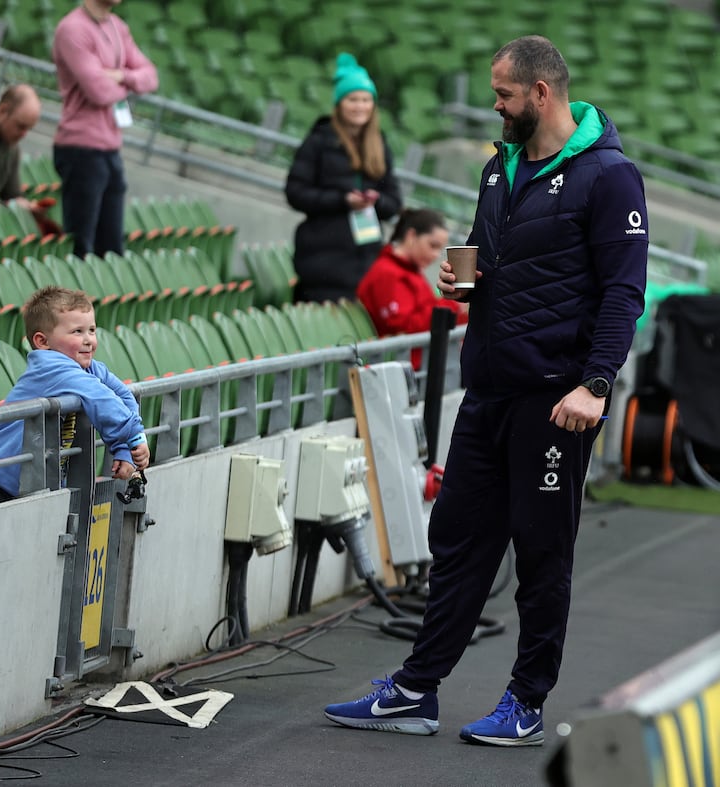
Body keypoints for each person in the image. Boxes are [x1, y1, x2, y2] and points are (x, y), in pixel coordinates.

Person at [324, 36, 648, 746]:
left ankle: (526, 699)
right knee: (461, 539)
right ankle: (416, 689)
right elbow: (481, 252)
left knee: (539, 550)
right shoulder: (499, 168)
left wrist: (596, 385)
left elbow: (625, 292)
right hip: (489, 388)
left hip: (559, 398)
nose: (495, 106)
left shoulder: (610, 176)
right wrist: (463, 282)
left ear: (541, 93)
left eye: (504, 94)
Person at [0, 286, 149, 502]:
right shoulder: (52, 366)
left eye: (92, 330)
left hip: (32, 490)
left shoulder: (88, 367)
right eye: (77, 332)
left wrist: (124, 447)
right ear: (43, 342)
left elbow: (122, 395)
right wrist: (133, 438)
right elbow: (101, 398)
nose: (88, 340)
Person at [285, 52, 402, 303]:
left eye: (365, 99)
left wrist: (375, 201)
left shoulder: (379, 144)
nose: (360, 106)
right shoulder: (318, 141)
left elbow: (394, 202)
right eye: (352, 99)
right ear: (339, 103)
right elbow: (295, 192)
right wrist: (342, 200)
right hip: (322, 260)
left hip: (365, 258)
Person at [52, 0, 158, 259]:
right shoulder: (72, 29)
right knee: (80, 247)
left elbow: (150, 76)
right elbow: (98, 90)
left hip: (110, 148)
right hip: (81, 148)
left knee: (111, 250)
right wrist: (127, 82)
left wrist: (121, 76)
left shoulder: (118, 27)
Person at [356, 207, 468, 369]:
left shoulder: (408, 271)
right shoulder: (388, 273)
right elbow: (402, 326)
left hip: (416, 363)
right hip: (405, 367)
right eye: (432, 245)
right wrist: (452, 307)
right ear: (411, 236)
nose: (436, 255)